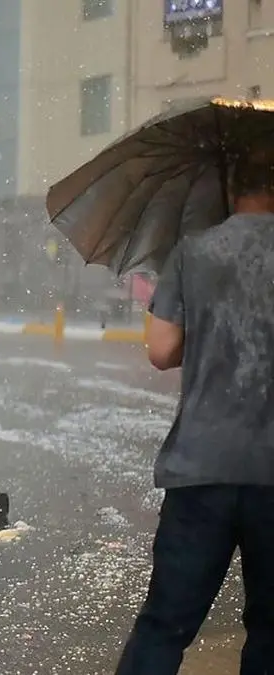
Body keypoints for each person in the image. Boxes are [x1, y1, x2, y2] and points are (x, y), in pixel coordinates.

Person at [114, 156, 274, 674]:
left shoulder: (195, 251)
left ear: (231, 188)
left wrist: (212, 330)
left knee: (165, 625)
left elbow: (161, 349)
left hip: (201, 465)